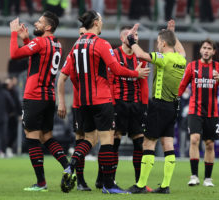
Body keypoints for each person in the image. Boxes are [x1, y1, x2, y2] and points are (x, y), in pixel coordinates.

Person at [58, 10, 150, 194]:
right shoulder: (102, 44)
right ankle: (108, 185)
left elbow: (67, 75)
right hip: (101, 98)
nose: (102, 23)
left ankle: (71, 165)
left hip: (83, 101)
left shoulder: (77, 45)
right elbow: (116, 68)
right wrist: (136, 73)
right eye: (101, 20)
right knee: (107, 140)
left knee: (89, 139)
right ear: (96, 23)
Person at [9, 11, 72, 192]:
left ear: (48, 27)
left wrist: (14, 33)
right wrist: (27, 40)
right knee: (46, 137)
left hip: (34, 96)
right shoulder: (57, 45)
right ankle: (68, 167)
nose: (35, 23)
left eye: (39, 22)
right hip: (48, 97)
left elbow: (14, 54)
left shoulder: (41, 42)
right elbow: (40, 60)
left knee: (32, 137)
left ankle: (41, 183)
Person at [127, 20, 186, 194]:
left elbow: (142, 55)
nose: (158, 45)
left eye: (159, 42)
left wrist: (132, 41)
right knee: (168, 143)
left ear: (164, 43)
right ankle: (165, 185)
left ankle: (140, 185)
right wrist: (172, 32)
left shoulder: (164, 58)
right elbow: (180, 49)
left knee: (149, 142)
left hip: (158, 105)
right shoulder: (181, 59)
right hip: (173, 106)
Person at [178, 39, 219, 187]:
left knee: (209, 144)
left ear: (214, 52)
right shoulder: (192, 66)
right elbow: (182, 86)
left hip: (212, 112)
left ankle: (208, 178)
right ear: (200, 50)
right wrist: (173, 99)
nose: (206, 50)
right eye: (204, 48)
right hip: (195, 110)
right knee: (194, 139)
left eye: (209, 48)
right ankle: (194, 176)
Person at [102, 26, 149, 186]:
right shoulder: (113, 55)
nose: (134, 38)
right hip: (118, 103)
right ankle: (110, 179)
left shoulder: (140, 57)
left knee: (139, 142)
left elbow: (143, 83)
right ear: (123, 38)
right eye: (131, 35)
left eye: (136, 35)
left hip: (136, 104)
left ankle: (139, 182)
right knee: (115, 140)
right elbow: (109, 80)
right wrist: (111, 104)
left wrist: (144, 105)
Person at [57, 26, 93, 192]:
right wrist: (62, 102)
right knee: (92, 139)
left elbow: (62, 79)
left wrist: (62, 102)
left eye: (83, 34)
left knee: (81, 141)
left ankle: (81, 181)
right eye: (80, 34)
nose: (82, 37)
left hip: (81, 104)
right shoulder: (80, 53)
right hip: (87, 104)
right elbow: (62, 79)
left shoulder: (78, 53)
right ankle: (76, 174)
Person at [4, 77, 22, 158]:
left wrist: (20, 114)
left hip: (13, 116)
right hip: (4, 116)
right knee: (5, 133)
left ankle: (9, 148)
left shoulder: (14, 92)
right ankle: (3, 149)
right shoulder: (3, 91)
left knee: (14, 133)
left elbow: (17, 103)